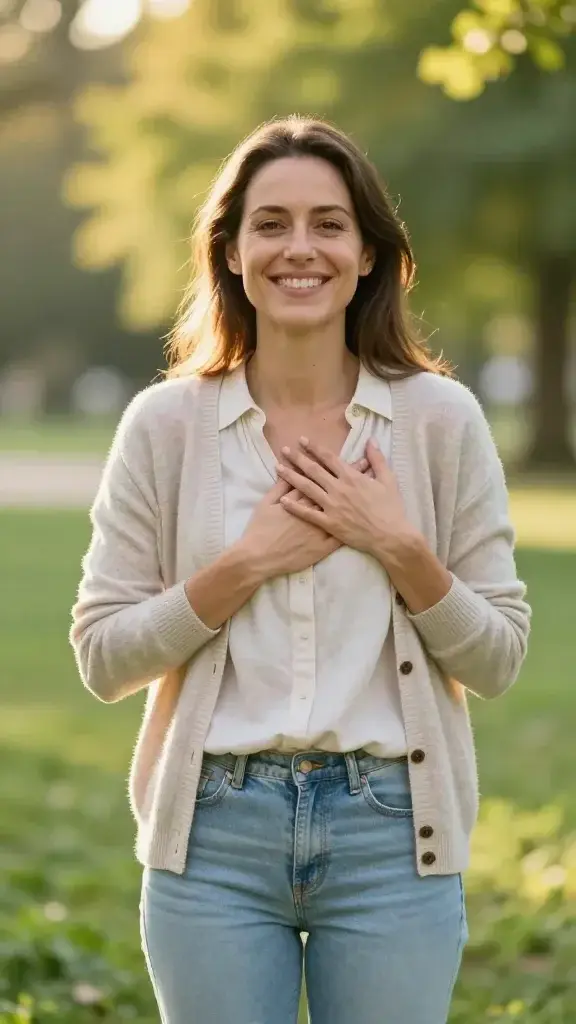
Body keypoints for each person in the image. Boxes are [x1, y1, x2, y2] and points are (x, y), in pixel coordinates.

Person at [70, 116, 531, 1024]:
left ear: (368, 256)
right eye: (270, 223)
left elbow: (500, 658)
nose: (300, 248)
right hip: (213, 834)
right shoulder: (165, 427)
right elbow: (102, 657)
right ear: (232, 253)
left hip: (394, 831)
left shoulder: (441, 422)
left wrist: (397, 544)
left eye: (329, 223)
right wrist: (245, 563)